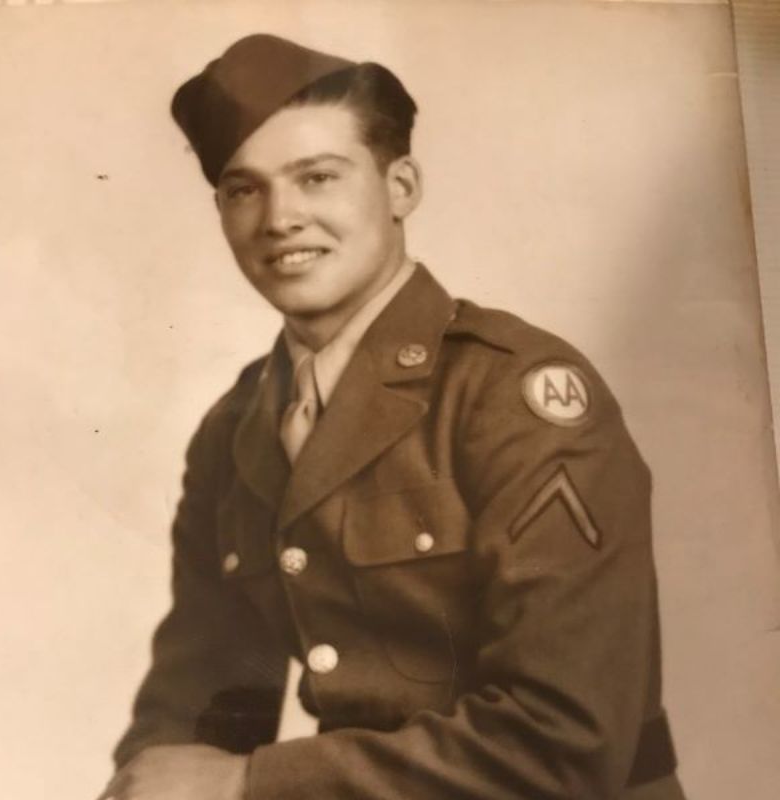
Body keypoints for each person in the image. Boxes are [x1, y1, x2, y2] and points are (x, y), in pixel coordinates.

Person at [99, 33, 685, 800]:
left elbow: (566, 745)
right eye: (246, 189)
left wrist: (247, 785)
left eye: (316, 178)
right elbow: (197, 708)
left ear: (401, 185)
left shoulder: (510, 396)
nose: (280, 218)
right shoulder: (236, 429)